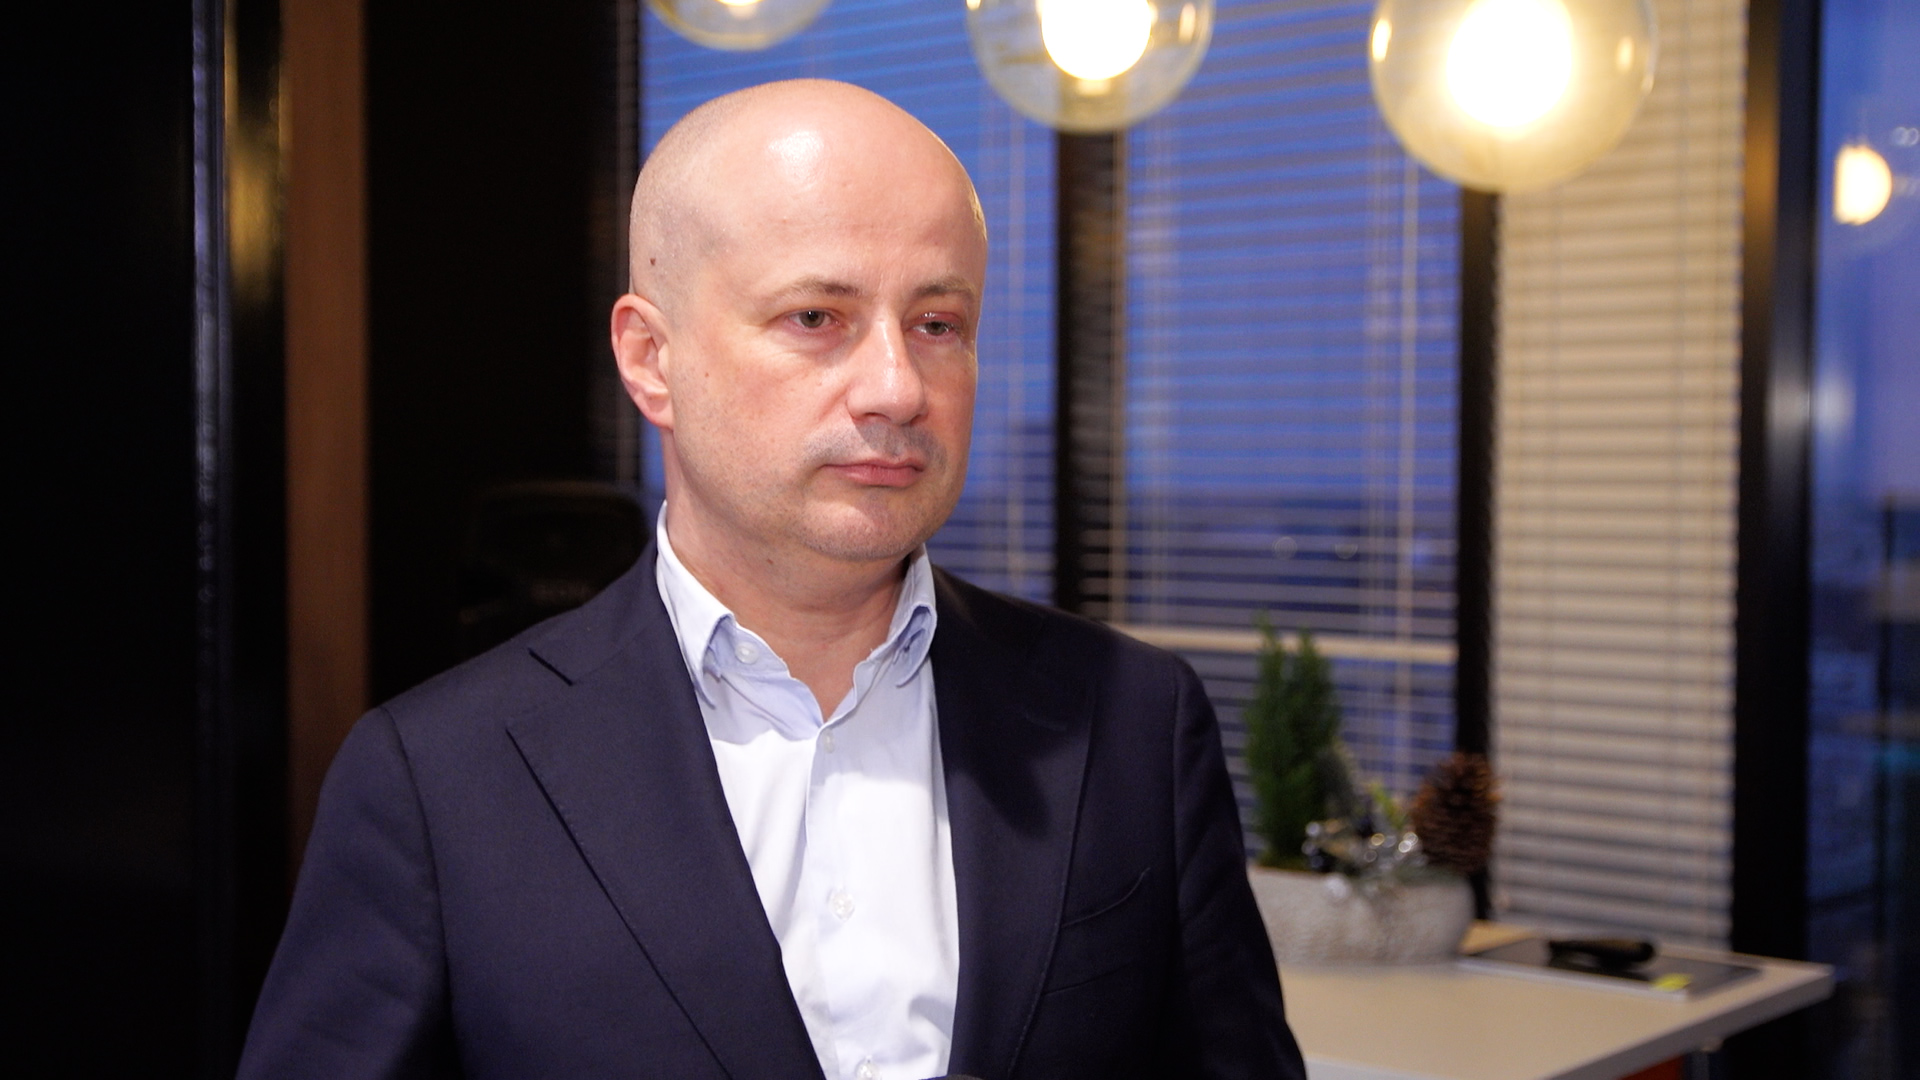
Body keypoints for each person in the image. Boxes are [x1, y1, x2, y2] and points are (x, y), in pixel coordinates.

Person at [238, 79, 1305, 1080]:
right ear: (651, 359)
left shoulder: (1132, 724)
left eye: (938, 324)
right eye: (816, 318)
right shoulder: (438, 781)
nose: (897, 386)